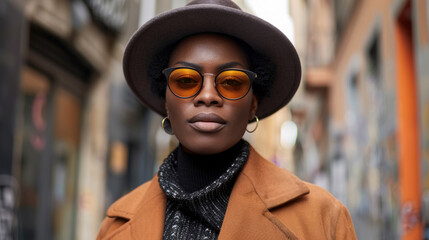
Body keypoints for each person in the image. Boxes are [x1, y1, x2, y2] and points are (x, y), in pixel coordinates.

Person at [97, 0, 357, 239]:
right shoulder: (116, 226)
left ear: (253, 103)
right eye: (186, 80)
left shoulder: (322, 219)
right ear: (166, 101)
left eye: (231, 81)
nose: (208, 96)